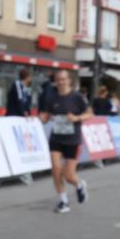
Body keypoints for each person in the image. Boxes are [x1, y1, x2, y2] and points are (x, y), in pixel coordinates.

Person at [39, 69, 93, 213]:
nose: (61, 82)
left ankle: (80, 184)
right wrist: (43, 118)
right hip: (56, 138)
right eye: (58, 80)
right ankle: (63, 201)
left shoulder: (77, 97)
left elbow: (90, 114)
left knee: (68, 176)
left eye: (63, 79)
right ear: (55, 82)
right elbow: (47, 115)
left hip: (72, 140)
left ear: (69, 81)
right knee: (56, 169)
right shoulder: (52, 98)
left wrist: (76, 118)